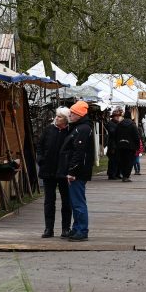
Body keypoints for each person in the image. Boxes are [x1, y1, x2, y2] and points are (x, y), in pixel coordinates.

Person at [59, 100, 95, 241]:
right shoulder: (79, 128)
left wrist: (72, 171)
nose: (70, 115)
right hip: (77, 170)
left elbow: (78, 152)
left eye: (73, 113)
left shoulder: (83, 129)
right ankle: (77, 227)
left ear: (79, 114)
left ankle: (82, 230)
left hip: (78, 172)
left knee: (78, 202)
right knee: (75, 202)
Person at [37, 106, 72, 238]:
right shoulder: (48, 130)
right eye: (56, 116)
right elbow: (39, 145)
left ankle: (65, 228)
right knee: (49, 200)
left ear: (66, 119)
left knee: (66, 200)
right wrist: (40, 159)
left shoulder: (70, 131)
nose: (56, 118)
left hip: (64, 171)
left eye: (60, 117)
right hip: (48, 169)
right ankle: (48, 228)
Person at [115, 109, 141, 182]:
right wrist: (138, 146)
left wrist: (117, 143)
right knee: (130, 161)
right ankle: (126, 175)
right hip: (130, 147)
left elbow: (115, 135)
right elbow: (136, 136)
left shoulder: (119, 125)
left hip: (121, 145)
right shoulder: (132, 125)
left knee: (122, 161)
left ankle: (124, 175)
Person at [105, 109, 122, 180]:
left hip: (118, 144)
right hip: (112, 144)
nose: (117, 117)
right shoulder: (110, 123)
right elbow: (112, 132)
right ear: (113, 117)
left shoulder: (118, 123)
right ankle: (112, 174)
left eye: (118, 116)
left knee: (118, 160)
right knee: (113, 161)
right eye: (116, 116)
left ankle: (117, 173)